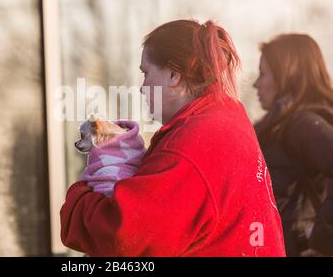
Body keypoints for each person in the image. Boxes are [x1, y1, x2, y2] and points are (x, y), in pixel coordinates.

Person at [60, 19, 286, 256]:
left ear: (174, 75)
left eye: (146, 73)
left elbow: (122, 236)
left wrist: (80, 196)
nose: (141, 87)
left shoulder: (192, 145)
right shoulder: (226, 116)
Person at [254, 33, 333, 256]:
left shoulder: (302, 124)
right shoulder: (278, 127)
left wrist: (323, 243)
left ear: (287, 75)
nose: (255, 84)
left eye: (262, 74)